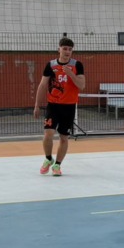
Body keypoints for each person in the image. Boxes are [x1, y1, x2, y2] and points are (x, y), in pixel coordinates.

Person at [34, 37, 86, 176]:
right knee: (48, 134)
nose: (67, 51)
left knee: (64, 137)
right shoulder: (51, 65)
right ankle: (48, 158)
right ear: (59, 49)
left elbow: (81, 85)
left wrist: (71, 74)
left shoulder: (77, 65)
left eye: (70, 49)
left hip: (69, 107)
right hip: (53, 105)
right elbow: (42, 85)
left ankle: (57, 165)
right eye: (64, 49)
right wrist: (37, 105)